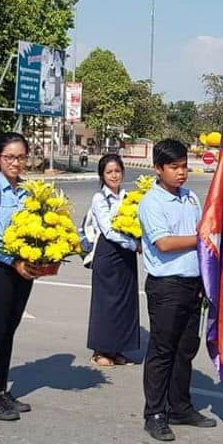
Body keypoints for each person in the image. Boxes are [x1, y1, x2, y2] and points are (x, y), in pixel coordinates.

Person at [138, 138, 216, 442]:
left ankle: (180, 407)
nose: (181, 172)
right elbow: (165, 243)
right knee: (163, 351)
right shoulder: (152, 202)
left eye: (184, 166)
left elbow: (204, 235)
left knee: (185, 350)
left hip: (192, 284)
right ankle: (155, 414)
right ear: (158, 168)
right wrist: (202, 237)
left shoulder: (190, 198)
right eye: (174, 167)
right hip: (166, 286)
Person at [0, 131, 46, 422]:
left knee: (9, 330)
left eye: (21, 157)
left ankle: (2, 391)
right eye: (10, 157)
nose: (16, 163)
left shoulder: (26, 192)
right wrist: (13, 260)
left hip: (22, 269)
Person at [86, 154, 141, 367]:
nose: (114, 175)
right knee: (106, 303)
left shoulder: (129, 197)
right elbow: (108, 230)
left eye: (117, 171)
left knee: (125, 303)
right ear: (102, 175)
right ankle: (100, 350)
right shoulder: (99, 198)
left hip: (126, 256)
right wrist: (134, 245)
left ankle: (118, 349)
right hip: (107, 253)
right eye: (109, 172)